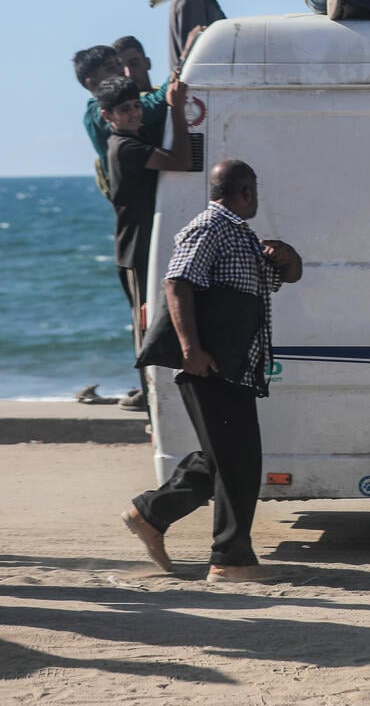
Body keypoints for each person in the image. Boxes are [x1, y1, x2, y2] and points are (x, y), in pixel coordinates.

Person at [121, 159, 304, 583]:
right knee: (238, 462)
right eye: (253, 189)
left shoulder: (242, 237)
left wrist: (289, 257)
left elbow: (286, 278)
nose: (256, 197)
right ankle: (230, 559)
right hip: (210, 367)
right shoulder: (209, 228)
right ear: (245, 191)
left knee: (225, 458)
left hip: (236, 368)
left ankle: (150, 513)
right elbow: (177, 283)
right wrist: (191, 350)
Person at [99, 75, 193, 345]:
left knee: (154, 318)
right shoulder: (126, 147)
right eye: (124, 109)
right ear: (108, 115)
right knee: (146, 323)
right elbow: (182, 161)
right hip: (135, 251)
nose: (133, 114)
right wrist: (176, 108)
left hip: (145, 245)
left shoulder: (135, 139)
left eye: (136, 106)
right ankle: (149, 386)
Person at [74, 44, 170, 197]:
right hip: (135, 204)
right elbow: (155, 106)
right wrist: (181, 66)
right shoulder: (98, 113)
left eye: (120, 64)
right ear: (91, 83)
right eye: (111, 68)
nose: (122, 71)